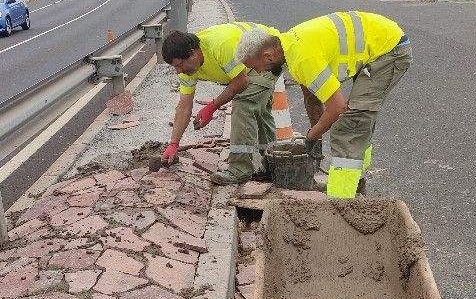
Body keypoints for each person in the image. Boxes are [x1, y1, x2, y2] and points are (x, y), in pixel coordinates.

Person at [235, 11, 412, 198]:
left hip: (389, 50)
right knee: (358, 122)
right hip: (378, 45)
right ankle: (356, 181)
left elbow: (337, 107)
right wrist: (317, 138)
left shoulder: (304, 59)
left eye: (255, 67)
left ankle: (339, 200)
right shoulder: (290, 48)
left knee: (349, 126)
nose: (259, 72)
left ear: (268, 56)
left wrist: (311, 137)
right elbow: (312, 97)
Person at [160, 22, 281, 185]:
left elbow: (241, 81)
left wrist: (212, 107)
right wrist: (174, 144)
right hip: (252, 61)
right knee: (259, 111)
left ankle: (239, 170)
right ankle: (272, 165)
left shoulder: (220, 46)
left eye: (179, 65)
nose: (178, 71)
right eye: (175, 67)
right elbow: (184, 106)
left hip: (268, 54)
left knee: (244, 104)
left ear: (193, 53)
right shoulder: (186, 70)